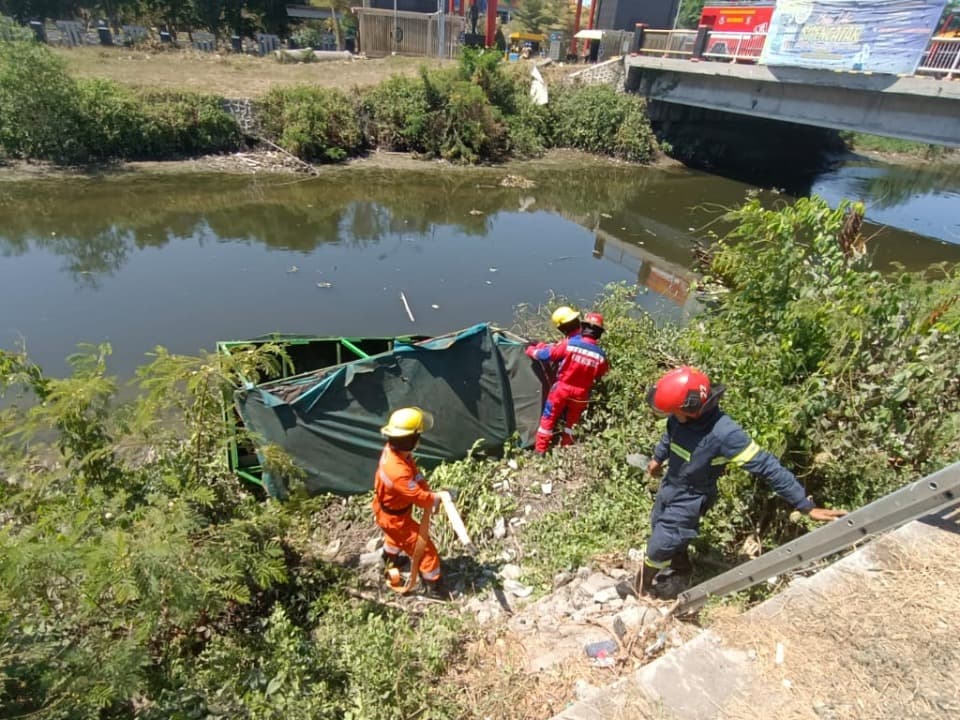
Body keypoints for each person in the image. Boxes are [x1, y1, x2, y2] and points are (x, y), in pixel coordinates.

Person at [637, 366, 847, 598]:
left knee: (660, 543)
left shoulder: (724, 434)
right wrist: (657, 458)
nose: (673, 417)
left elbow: (767, 466)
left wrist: (805, 505)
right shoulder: (679, 420)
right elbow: (670, 435)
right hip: (670, 485)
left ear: (692, 407)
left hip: (692, 495)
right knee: (659, 524)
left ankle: (640, 585)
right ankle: (682, 568)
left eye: (675, 412)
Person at [372, 406, 448, 598]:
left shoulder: (396, 452)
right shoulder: (396, 471)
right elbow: (421, 499)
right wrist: (437, 498)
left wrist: (426, 487)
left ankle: (390, 557)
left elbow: (414, 474)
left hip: (392, 512)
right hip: (394, 517)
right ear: (411, 439)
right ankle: (433, 584)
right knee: (424, 549)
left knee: (396, 537)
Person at [526, 310, 609, 453]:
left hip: (562, 389)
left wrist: (531, 350)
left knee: (548, 419)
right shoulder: (600, 356)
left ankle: (540, 451)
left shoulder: (569, 344)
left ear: (583, 327)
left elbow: (547, 355)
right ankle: (566, 447)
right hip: (582, 394)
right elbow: (602, 373)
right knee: (572, 422)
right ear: (599, 333)